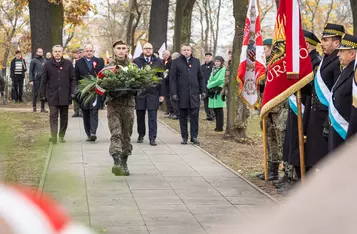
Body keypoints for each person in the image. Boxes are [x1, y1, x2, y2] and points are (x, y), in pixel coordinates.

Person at [281, 30, 321, 187]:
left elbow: (312, 87)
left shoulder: (315, 62)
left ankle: (300, 182)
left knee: (301, 146)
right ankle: (292, 178)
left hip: (305, 107)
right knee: (292, 143)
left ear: (308, 45)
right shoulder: (302, 61)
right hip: (296, 106)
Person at [305, 23, 345, 168]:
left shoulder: (338, 62)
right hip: (315, 114)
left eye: (326, 40)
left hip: (326, 116)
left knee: (323, 157)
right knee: (314, 155)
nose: (322, 43)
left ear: (336, 42)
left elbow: (337, 93)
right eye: (322, 40)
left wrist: (329, 118)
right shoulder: (325, 59)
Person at [106, 40, 136, 176]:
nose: (121, 51)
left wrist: (134, 89)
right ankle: (116, 161)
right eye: (118, 48)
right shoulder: (108, 68)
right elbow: (101, 86)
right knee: (115, 133)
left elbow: (139, 86)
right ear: (114, 50)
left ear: (127, 51)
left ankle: (124, 163)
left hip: (129, 105)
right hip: (114, 105)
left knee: (126, 135)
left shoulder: (133, 67)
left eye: (124, 48)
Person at [170, 44, 206, 145]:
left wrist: (203, 91)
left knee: (194, 115)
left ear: (191, 51)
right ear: (181, 51)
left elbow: (200, 77)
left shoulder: (196, 61)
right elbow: (172, 79)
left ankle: (194, 137)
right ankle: (184, 137)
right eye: (184, 50)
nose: (186, 51)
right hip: (182, 94)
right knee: (183, 116)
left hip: (194, 94)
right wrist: (173, 93)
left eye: (188, 50)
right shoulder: (176, 62)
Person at [40, 45, 76, 144]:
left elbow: (73, 79)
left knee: (64, 117)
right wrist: (42, 94)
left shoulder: (68, 64)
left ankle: (61, 135)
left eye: (59, 51)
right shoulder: (47, 64)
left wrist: (73, 92)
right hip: (52, 95)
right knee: (53, 115)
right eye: (55, 51)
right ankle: (53, 136)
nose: (57, 53)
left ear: (62, 52)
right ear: (52, 52)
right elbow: (43, 80)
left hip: (65, 94)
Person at [327, 34, 357, 151]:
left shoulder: (353, 74)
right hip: (337, 130)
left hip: (347, 131)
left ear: (352, 54)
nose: (338, 54)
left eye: (341, 51)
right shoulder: (344, 70)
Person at [133, 43, 164, 146]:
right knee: (140, 116)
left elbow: (161, 79)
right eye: (146, 48)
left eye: (150, 48)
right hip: (140, 93)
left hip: (153, 93)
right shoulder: (136, 61)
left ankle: (152, 138)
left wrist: (161, 94)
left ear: (152, 49)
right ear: (143, 49)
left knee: (152, 117)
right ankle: (141, 134)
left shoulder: (158, 61)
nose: (148, 50)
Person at [75, 44, 105, 142]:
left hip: (95, 91)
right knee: (85, 112)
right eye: (87, 51)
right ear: (84, 52)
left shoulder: (99, 61)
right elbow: (76, 78)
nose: (89, 52)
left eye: (91, 51)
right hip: (84, 91)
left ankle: (93, 132)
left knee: (94, 111)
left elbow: (103, 76)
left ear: (93, 51)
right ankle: (88, 132)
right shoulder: (79, 63)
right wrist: (77, 92)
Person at [207, 56, 226, 132]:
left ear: (221, 62)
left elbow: (220, 80)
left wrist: (209, 85)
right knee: (215, 109)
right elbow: (210, 79)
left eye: (218, 61)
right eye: (216, 61)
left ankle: (220, 126)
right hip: (212, 90)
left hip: (219, 90)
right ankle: (217, 126)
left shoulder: (223, 69)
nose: (216, 63)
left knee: (219, 110)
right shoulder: (213, 69)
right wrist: (209, 84)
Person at [29, 48, 48, 113]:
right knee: (35, 93)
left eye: (41, 52)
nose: (40, 53)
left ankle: (42, 108)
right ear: (37, 53)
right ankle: (34, 107)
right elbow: (31, 71)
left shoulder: (45, 61)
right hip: (36, 79)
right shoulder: (33, 61)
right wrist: (31, 80)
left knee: (43, 93)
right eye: (39, 52)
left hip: (43, 79)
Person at [201, 52, 215, 121]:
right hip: (204, 86)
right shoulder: (202, 67)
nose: (208, 57)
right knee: (205, 101)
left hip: (212, 86)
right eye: (207, 56)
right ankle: (208, 115)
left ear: (211, 57)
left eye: (209, 56)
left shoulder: (214, 66)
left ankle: (213, 115)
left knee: (212, 101)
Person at [72, 48, 82, 118]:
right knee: (74, 96)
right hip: (73, 81)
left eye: (77, 53)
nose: (75, 55)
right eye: (74, 53)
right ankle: (76, 111)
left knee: (81, 96)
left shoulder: (81, 61)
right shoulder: (71, 62)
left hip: (80, 81)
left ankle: (81, 111)